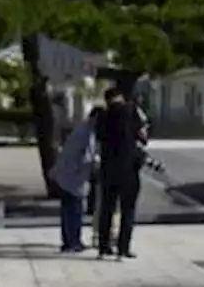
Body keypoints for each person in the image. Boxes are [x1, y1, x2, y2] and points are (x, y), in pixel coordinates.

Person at [95, 83, 144, 260]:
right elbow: (142, 136)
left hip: (108, 168)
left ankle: (103, 247)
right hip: (129, 169)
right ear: (121, 97)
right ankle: (123, 248)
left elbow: (99, 138)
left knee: (106, 209)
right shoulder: (132, 111)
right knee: (128, 210)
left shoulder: (103, 116)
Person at [49, 107, 102, 253]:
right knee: (75, 211)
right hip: (74, 178)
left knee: (68, 210)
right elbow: (87, 158)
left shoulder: (81, 130)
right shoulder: (86, 134)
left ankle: (68, 241)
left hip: (68, 176)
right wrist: (97, 165)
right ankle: (73, 241)